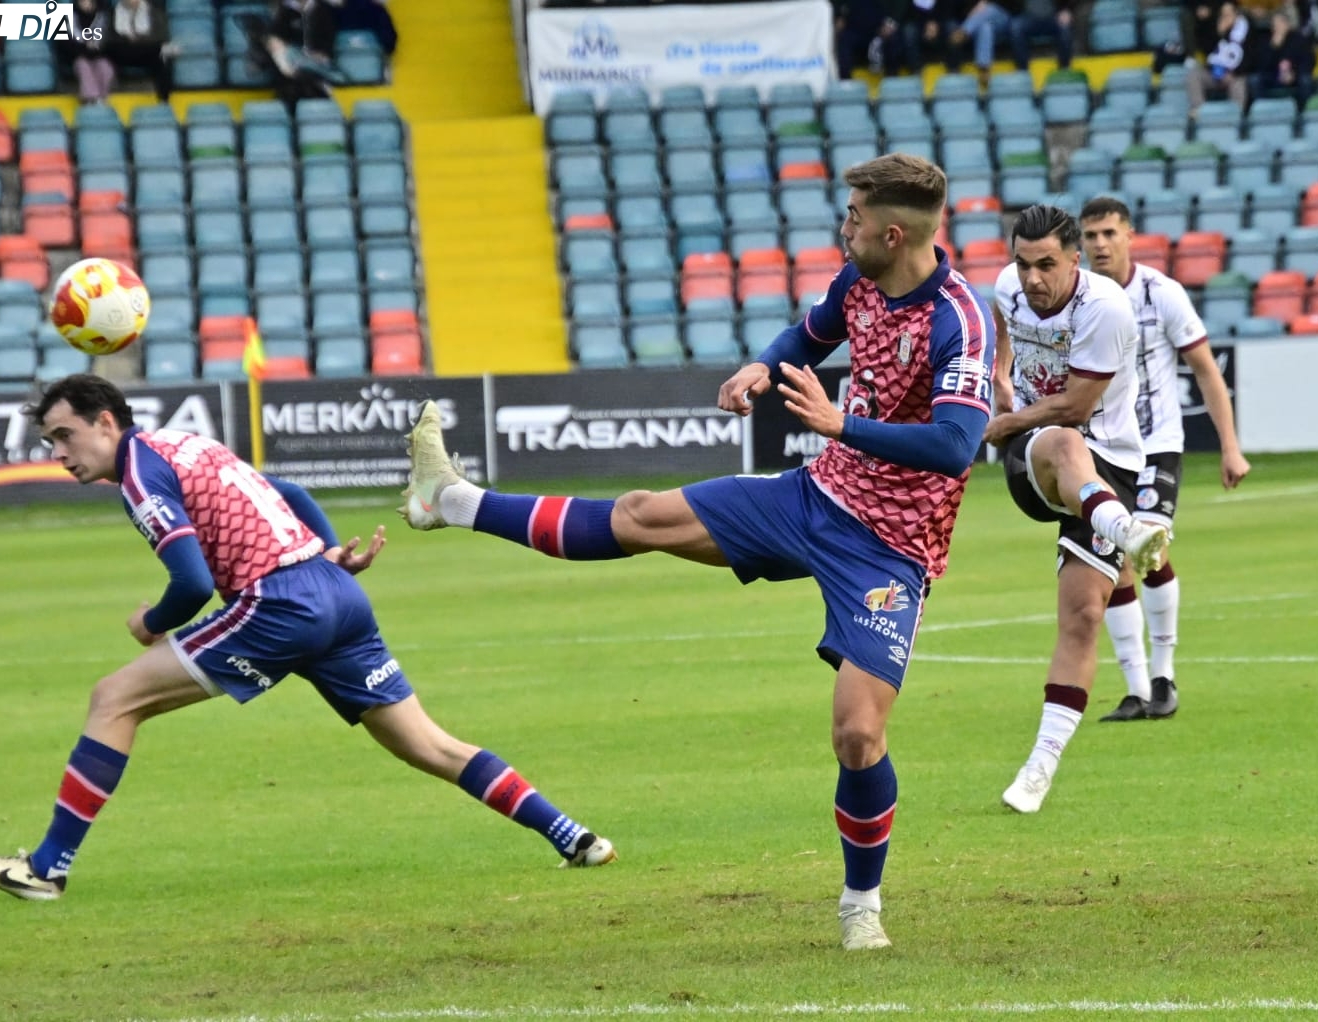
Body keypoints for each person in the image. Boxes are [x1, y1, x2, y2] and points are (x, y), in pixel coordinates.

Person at [398, 153, 994, 951]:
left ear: (894, 233)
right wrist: (766, 364)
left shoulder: (960, 318)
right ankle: (452, 500)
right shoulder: (858, 282)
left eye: (852, 216)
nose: (842, 226)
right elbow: (808, 335)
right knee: (641, 514)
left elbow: (957, 446)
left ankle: (861, 904)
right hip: (815, 496)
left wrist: (839, 423)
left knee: (857, 734)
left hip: (889, 548)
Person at [0, 375, 616, 901]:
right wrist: (327, 549)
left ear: (105, 421)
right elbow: (289, 490)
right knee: (430, 745)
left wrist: (150, 623)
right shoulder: (181, 444)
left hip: (277, 603)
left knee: (114, 699)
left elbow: (186, 580)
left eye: (64, 436)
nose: (59, 454)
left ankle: (47, 869)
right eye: (49, 442)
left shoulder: (138, 472)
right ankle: (572, 836)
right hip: (334, 597)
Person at [984, 204, 1171, 815]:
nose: (1032, 278)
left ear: (1073, 262)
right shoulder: (1009, 287)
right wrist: (1004, 376)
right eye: (1023, 262)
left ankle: (1040, 766)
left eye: (1046, 265)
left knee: (1086, 614)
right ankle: (1125, 527)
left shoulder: (1106, 309)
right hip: (1037, 459)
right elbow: (1003, 325)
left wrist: (1006, 418)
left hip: (1107, 460)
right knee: (1062, 445)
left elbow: (1078, 404)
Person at [1077, 198, 1251, 724]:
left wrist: (1230, 445)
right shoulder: (1080, 298)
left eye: (1109, 232)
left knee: (1146, 550)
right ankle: (1134, 690)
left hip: (1156, 444)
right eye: (1090, 236)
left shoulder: (1162, 294)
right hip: (1103, 447)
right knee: (1113, 561)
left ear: (1130, 234)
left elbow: (1204, 369)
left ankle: (1163, 676)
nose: (1100, 244)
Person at [106, 0, 176, 101]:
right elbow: (110, 37)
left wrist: (141, 38)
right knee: (110, 50)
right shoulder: (113, 12)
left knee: (162, 58)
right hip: (123, 51)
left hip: (147, 51)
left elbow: (161, 36)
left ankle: (164, 99)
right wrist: (127, 38)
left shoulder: (154, 12)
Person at [1250, 9, 1315, 105]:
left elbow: (1309, 61)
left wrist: (1294, 74)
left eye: (1280, 23)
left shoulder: (1299, 39)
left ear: (1287, 24)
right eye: (1274, 24)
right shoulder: (1265, 40)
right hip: (1273, 76)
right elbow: (1261, 66)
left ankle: (1304, 112)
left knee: (1306, 80)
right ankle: (1262, 110)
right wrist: (1273, 47)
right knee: (1254, 80)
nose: (1277, 27)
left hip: (1294, 76)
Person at [61, 0, 116, 104]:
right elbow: (65, 44)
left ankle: (103, 99)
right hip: (77, 57)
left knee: (105, 67)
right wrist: (84, 49)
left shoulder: (104, 16)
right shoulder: (69, 17)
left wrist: (96, 49)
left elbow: (110, 41)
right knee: (84, 67)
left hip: (100, 56)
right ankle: (91, 101)